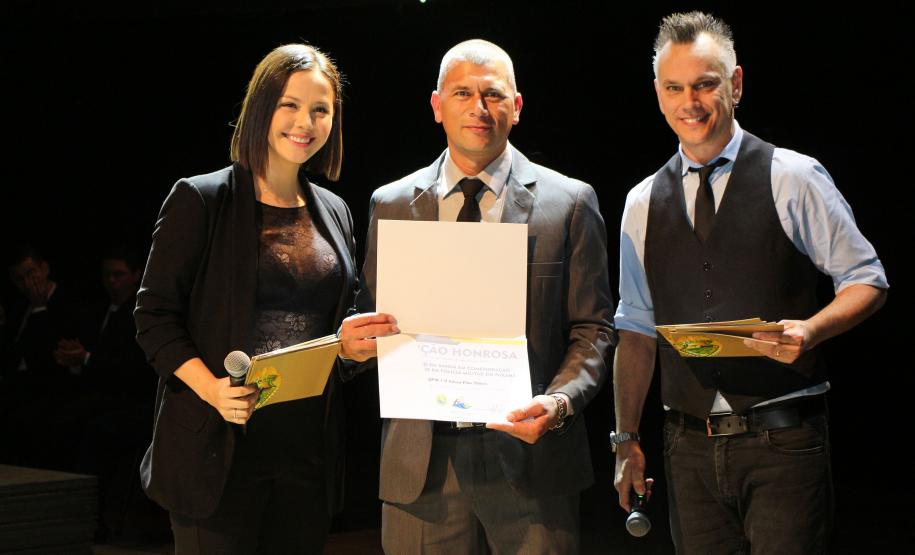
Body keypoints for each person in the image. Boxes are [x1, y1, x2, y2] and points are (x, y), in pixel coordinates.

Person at [611, 12, 888, 554]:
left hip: (783, 442)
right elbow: (636, 330)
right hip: (686, 447)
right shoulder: (642, 202)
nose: (690, 101)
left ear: (735, 84)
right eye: (675, 87)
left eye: (705, 84)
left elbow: (866, 279)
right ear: (659, 95)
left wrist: (810, 330)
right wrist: (626, 440)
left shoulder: (793, 176)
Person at [353, 39, 615, 553]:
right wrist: (355, 343)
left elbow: (594, 328)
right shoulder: (391, 205)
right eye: (462, 93)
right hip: (421, 466)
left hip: (532, 462)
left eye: (493, 95)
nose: (479, 108)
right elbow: (371, 318)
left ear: (516, 107)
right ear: (437, 106)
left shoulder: (569, 203)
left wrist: (559, 402)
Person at [134, 44, 396, 553]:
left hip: (306, 455)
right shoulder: (201, 198)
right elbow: (153, 317)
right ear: (261, 107)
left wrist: (350, 348)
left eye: (321, 110)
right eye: (290, 105)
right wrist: (210, 388)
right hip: (219, 450)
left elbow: (332, 329)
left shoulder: (336, 210)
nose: (306, 122)